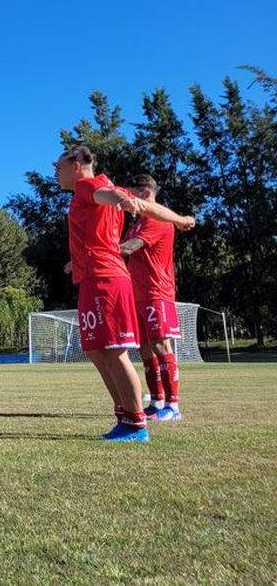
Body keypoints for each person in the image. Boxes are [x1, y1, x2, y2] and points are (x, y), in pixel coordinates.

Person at [54, 145, 194, 442]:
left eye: (59, 165)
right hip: (96, 277)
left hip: (105, 279)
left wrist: (121, 199)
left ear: (77, 163)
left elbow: (115, 198)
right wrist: (179, 219)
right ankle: (125, 415)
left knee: (115, 351)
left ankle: (135, 422)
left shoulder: (88, 186)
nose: (56, 171)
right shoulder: (103, 186)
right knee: (95, 350)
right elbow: (140, 206)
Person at [121, 174, 184, 422]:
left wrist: (93, 253)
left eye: (130, 195)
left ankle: (173, 405)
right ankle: (157, 400)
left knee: (161, 345)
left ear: (145, 193)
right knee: (146, 349)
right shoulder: (138, 222)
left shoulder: (157, 220)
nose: (127, 202)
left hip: (158, 292)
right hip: (139, 293)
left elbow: (128, 248)